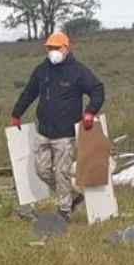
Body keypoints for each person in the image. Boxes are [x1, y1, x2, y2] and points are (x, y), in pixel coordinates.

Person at [10, 32, 105, 220]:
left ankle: (64, 211)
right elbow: (29, 92)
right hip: (44, 131)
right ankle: (72, 195)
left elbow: (97, 90)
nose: (52, 52)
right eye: (50, 48)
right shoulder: (41, 70)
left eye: (56, 48)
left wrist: (90, 111)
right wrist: (16, 113)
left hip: (66, 133)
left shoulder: (78, 71)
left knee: (62, 172)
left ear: (66, 48)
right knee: (42, 170)